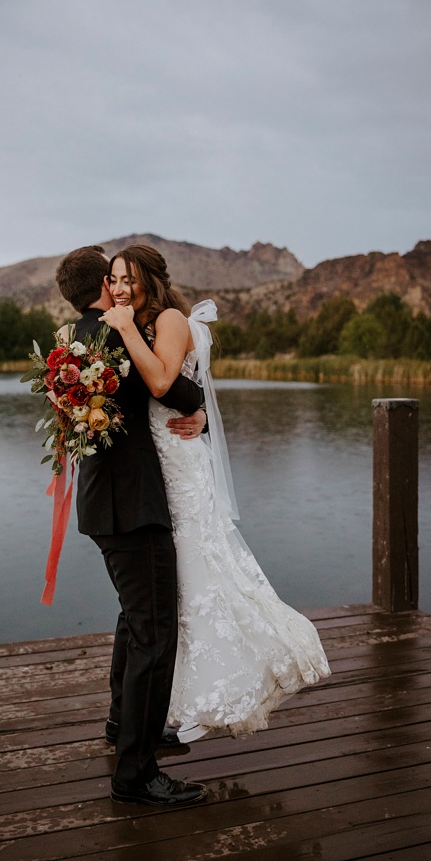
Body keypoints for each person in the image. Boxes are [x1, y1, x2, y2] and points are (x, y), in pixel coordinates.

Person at [99, 244, 329, 745]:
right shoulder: (133, 324)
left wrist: (123, 327)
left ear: (151, 281)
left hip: (179, 466)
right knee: (169, 591)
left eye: (129, 279)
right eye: (114, 279)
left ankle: (219, 689)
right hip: (156, 466)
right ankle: (157, 708)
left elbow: (161, 380)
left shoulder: (170, 319)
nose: (119, 288)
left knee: (195, 575)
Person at [55, 244, 210, 807]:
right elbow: (171, 388)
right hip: (132, 505)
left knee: (133, 619)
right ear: (104, 281)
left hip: (104, 503)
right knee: (154, 632)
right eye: (113, 277)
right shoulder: (114, 333)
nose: (120, 287)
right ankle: (136, 775)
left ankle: (124, 726)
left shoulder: (73, 338)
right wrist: (202, 411)